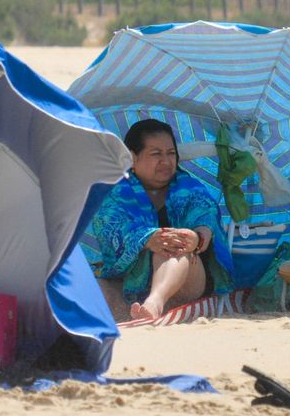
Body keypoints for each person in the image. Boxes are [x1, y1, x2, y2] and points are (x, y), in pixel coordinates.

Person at [83, 119, 234, 320]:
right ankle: (130, 311)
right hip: (130, 285)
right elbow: (111, 230)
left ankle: (155, 303)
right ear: (132, 158)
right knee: (92, 287)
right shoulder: (115, 193)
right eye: (156, 154)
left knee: (170, 248)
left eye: (171, 153)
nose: (166, 161)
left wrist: (196, 237)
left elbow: (207, 218)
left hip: (185, 279)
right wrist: (147, 238)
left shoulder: (190, 188)